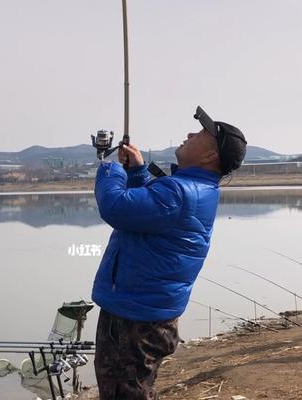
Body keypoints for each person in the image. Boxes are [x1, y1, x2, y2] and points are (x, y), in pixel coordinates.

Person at [91, 106, 247, 399]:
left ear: (211, 156)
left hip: (135, 315)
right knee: (134, 389)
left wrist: (108, 168)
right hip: (143, 308)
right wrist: (137, 172)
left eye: (201, 133)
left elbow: (116, 206)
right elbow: (150, 212)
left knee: (125, 394)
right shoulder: (192, 189)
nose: (190, 134)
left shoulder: (181, 192)